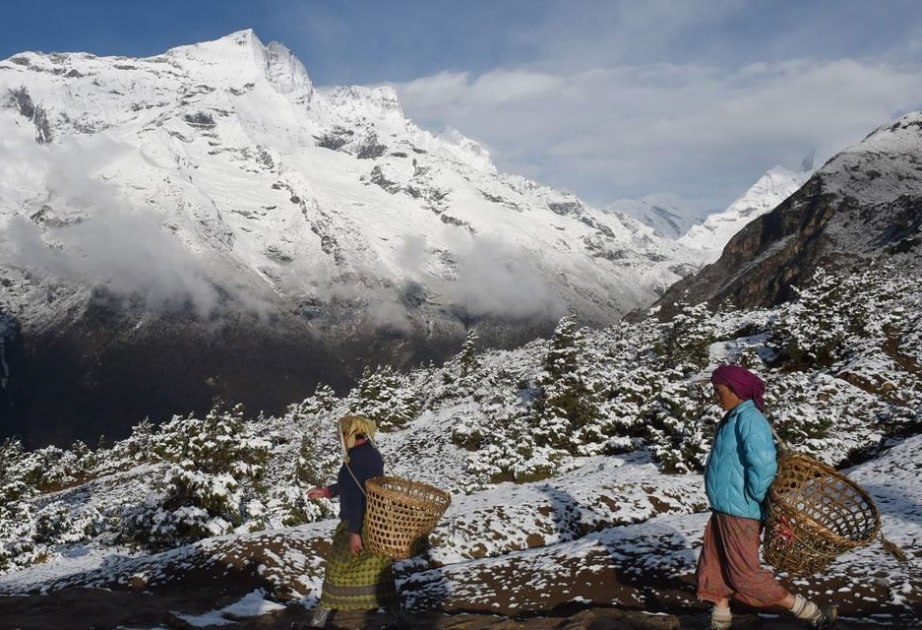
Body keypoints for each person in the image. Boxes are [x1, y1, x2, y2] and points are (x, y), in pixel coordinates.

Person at [696, 364, 837, 629]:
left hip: (741, 510)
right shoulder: (734, 417)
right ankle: (720, 618)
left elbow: (762, 464)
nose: (716, 396)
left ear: (735, 390)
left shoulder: (750, 419)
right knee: (714, 562)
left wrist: (754, 494)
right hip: (725, 508)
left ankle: (812, 613)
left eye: (719, 390)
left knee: (745, 575)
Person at [302, 415, 408, 629]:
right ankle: (400, 620)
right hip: (375, 521)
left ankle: (317, 623)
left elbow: (357, 495)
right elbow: (353, 484)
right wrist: (327, 491)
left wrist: (354, 533)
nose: (339, 438)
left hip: (360, 522)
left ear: (351, 434)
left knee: (336, 571)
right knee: (379, 572)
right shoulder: (369, 453)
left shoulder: (358, 458)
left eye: (342, 434)